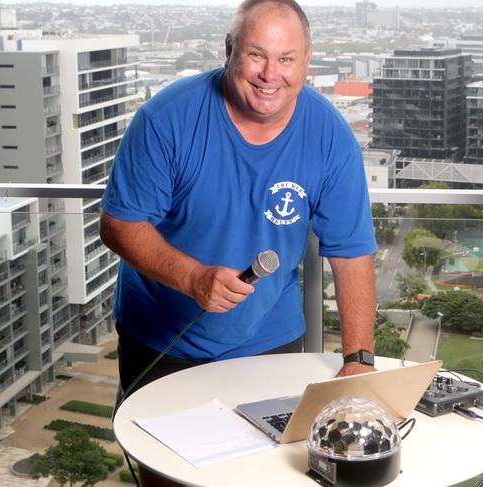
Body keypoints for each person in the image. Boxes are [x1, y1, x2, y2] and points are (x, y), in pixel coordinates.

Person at [101, 1, 376, 483]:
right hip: (163, 337)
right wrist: (192, 277)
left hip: (270, 336)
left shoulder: (330, 135)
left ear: (307, 59)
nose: (271, 74)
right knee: (171, 478)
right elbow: (119, 224)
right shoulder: (167, 118)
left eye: (287, 59)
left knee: (267, 476)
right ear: (229, 51)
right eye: (256, 55)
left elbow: (351, 252)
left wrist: (359, 360)